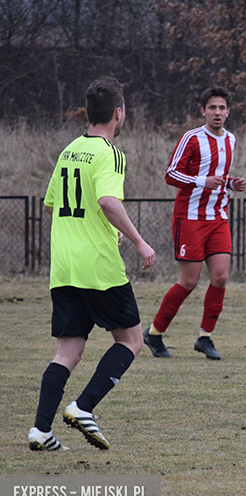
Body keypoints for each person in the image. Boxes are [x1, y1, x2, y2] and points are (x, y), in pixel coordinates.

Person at [28, 77, 156, 451]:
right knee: (132, 340)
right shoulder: (109, 152)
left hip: (64, 267)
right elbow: (107, 202)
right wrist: (138, 240)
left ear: (88, 112)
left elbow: (52, 204)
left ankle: (40, 430)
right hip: (97, 265)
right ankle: (83, 408)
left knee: (67, 351)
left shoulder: (69, 150)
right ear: (119, 113)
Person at [143, 85, 246, 360]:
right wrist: (202, 181)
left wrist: (232, 184)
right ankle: (154, 333)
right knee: (189, 282)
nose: (217, 112)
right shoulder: (191, 138)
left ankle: (205, 337)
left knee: (221, 277)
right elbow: (171, 175)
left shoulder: (231, 140)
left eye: (221, 107)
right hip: (189, 217)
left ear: (228, 112)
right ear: (203, 111)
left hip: (218, 217)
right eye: (212, 107)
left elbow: (218, 177)